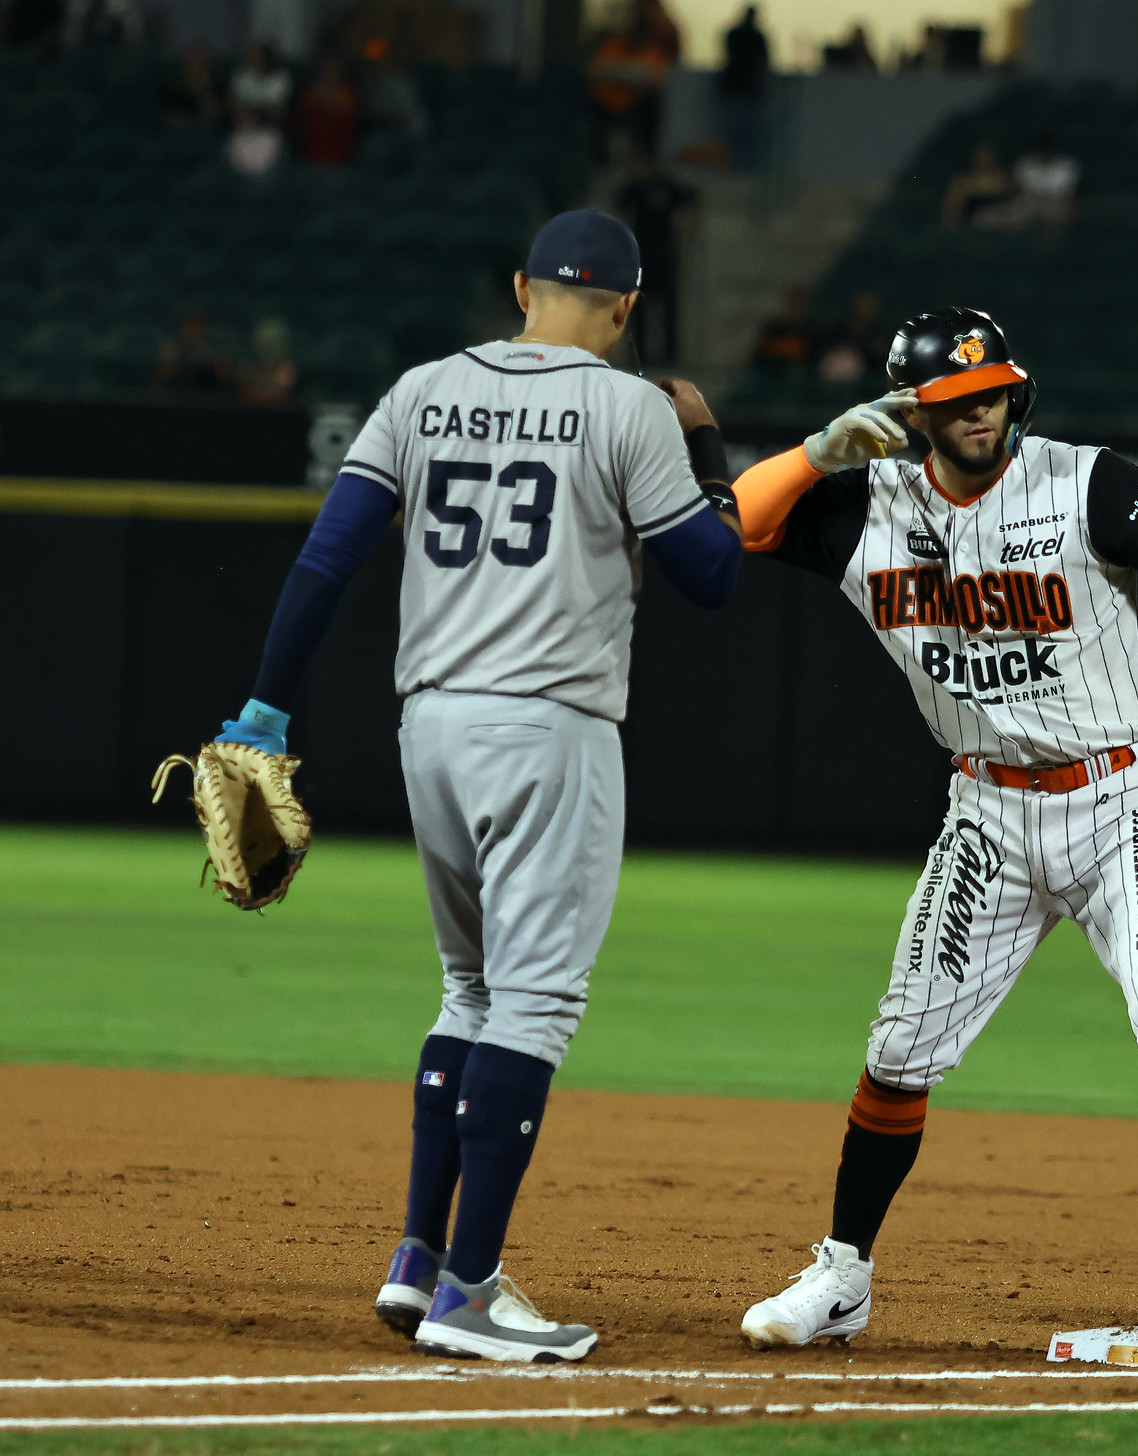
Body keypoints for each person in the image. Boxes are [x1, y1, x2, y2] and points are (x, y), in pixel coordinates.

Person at [726, 308, 1138, 1349]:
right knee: (901, 1044)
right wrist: (816, 451)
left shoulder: (1083, 481)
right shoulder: (863, 505)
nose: (981, 411)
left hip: (1121, 795)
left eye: (993, 391)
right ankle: (842, 1276)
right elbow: (732, 528)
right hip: (988, 809)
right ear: (910, 410)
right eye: (954, 400)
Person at [210, 210, 741, 1363]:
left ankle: (417, 1255)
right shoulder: (630, 406)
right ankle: (473, 1290)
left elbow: (326, 556)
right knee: (536, 1002)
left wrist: (263, 707)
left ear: (519, 287)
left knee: (472, 986)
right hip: (549, 728)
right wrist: (706, 451)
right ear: (628, 308)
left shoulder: (420, 389)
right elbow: (711, 574)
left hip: (432, 728)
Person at [614, 151, 699, 366]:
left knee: (668, 307)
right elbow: (619, 209)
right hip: (641, 256)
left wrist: (686, 236)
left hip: (664, 254)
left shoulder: (667, 186)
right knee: (639, 307)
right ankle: (640, 354)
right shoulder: (633, 188)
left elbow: (693, 201)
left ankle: (670, 355)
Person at [589, 0, 675, 163]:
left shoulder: (653, 49)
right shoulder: (614, 45)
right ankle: (599, 160)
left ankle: (646, 161)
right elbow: (596, 69)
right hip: (607, 104)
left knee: (651, 105)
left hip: (634, 105)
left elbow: (658, 77)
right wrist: (625, 74)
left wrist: (634, 77)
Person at [718, 5, 770, 171]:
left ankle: (736, 165)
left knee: (735, 132)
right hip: (748, 90)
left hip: (735, 88)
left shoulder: (733, 35)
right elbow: (765, 62)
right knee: (748, 134)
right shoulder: (757, 38)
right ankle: (744, 166)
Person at [153, 308, 235, 398]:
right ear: (184, 326)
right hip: (178, 394)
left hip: (206, 395)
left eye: (199, 325)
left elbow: (224, 372)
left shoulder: (210, 348)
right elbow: (162, 374)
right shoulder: (172, 346)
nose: (195, 329)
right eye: (192, 324)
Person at [295, 56, 358, 166]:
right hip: (316, 131)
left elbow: (347, 112)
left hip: (337, 132)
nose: (330, 73)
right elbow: (307, 109)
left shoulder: (346, 92)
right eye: (327, 70)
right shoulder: (312, 90)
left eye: (333, 70)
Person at [941, 143, 1014, 230]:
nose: (984, 159)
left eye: (987, 156)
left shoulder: (1005, 178)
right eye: (980, 156)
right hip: (971, 225)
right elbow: (949, 217)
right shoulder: (961, 184)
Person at [750, 284, 814, 373]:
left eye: (802, 302)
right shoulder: (775, 328)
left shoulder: (809, 331)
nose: (798, 306)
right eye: (795, 302)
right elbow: (761, 354)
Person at [230, 39, 292, 128]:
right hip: (244, 122)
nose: (257, 59)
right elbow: (235, 103)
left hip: (271, 123)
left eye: (260, 56)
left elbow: (277, 108)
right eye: (253, 56)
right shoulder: (241, 77)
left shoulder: (280, 78)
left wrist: (256, 111)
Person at [239, 316, 298, 407]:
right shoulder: (248, 375)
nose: (268, 348)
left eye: (272, 343)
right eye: (264, 343)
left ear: (284, 345)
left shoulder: (290, 378)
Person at [163, 45, 222, 129]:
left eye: (200, 65)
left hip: (209, 132)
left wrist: (203, 90)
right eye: (191, 65)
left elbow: (213, 116)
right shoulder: (173, 87)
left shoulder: (217, 84)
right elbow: (173, 119)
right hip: (179, 133)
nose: (195, 70)